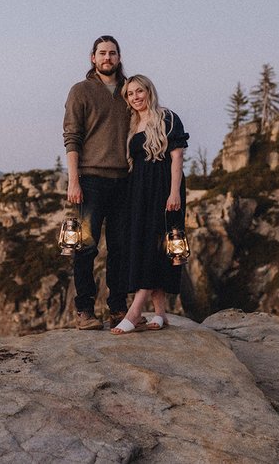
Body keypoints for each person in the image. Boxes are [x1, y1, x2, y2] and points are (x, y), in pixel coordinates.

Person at [111, 74, 189, 334]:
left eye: (139, 91)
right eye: (130, 94)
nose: (135, 97)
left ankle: (135, 312)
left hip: (163, 188)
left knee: (157, 246)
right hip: (139, 191)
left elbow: (177, 157)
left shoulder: (167, 117)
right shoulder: (134, 123)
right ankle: (160, 313)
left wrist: (174, 192)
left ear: (149, 91)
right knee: (146, 243)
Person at [62, 36, 131, 330]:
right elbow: (72, 137)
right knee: (86, 247)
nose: (107, 58)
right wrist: (73, 180)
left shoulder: (129, 91)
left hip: (124, 181)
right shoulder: (81, 91)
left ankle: (118, 309)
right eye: (102, 53)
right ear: (92, 58)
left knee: (120, 247)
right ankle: (85, 312)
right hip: (91, 180)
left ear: (118, 57)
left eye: (112, 53)